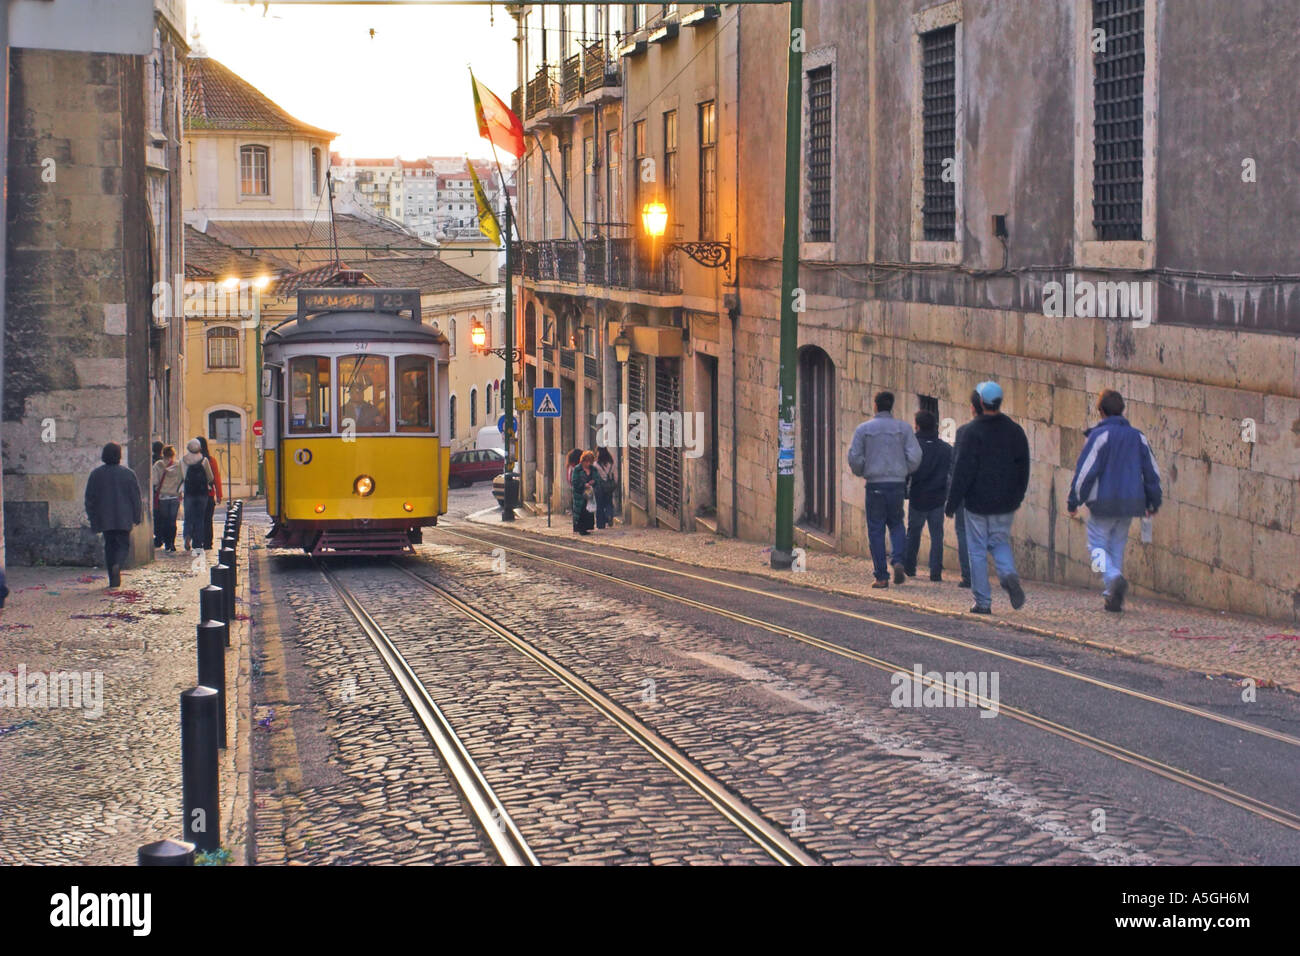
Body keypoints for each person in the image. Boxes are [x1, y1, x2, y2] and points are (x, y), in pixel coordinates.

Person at [1067, 389, 1162, 612]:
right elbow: (1152, 472)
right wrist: (1153, 502)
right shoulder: (1138, 437)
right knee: (1117, 546)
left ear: (1101, 411)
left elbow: (1085, 473)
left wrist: (1074, 501)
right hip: (1131, 503)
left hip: (1103, 502)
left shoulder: (1100, 437)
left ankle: (1112, 578)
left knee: (1096, 548)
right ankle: (1112, 595)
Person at [944, 381, 1030, 614]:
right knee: (1000, 542)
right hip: (1006, 503)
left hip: (977, 503)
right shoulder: (1015, 430)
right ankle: (1008, 574)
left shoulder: (971, 432)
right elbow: (1024, 468)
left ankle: (983, 602)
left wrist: (951, 504)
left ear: (979, 404)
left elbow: (962, 471)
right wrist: (1018, 496)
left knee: (978, 550)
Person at [847, 391, 923, 589]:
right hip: (897, 484)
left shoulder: (863, 429)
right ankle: (898, 560)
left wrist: (863, 470)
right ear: (891, 406)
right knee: (897, 523)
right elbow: (915, 456)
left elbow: (854, 457)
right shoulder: (904, 429)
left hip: (875, 485)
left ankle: (881, 576)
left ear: (875, 405)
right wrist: (903, 470)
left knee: (876, 529)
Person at [84, 442, 143, 589]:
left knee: (109, 546)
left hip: (105, 518)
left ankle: (113, 578)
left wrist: (93, 517)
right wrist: (137, 516)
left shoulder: (96, 474)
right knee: (123, 545)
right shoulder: (128, 474)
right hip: (124, 517)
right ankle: (118, 565)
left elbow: (90, 498)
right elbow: (135, 498)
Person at [903, 410, 953, 581]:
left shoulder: (913, 447)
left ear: (917, 426)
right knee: (937, 536)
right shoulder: (946, 449)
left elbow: (906, 471)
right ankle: (935, 572)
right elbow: (951, 473)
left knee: (913, 534)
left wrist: (904, 491)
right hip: (938, 499)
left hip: (918, 497)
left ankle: (909, 568)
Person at [950, 390, 983, 589]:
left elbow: (956, 465)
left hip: (966, 492)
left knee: (963, 532)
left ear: (972, 408)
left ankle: (969, 575)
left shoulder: (963, 432)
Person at [181, 438, 215, 553]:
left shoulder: (183, 460)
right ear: (199, 448)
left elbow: (182, 476)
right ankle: (197, 543)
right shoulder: (204, 460)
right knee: (200, 519)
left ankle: (187, 536)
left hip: (189, 492)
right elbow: (210, 477)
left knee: (188, 517)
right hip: (202, 493)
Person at [151, 445, 183, 553]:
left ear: (163, 453)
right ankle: (172, 543)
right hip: (174, 496)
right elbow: (182, 480)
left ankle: (167, 543)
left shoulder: (158, 465)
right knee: (172, 521)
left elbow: (154, 481)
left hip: (163, 497)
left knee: (164, 520)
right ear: (173, 454)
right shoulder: (178, 466)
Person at [196, 435, 223, 550]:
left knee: (198, 519)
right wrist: (219, 495)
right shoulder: (211, 460)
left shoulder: (192, 461)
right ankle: (208, 543)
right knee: (208, 520)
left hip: (196, 495)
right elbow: (216, 478)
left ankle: (198, 541)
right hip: (209, 494)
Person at [571, 450, 597, 536]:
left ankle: (587, 528)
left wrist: (594, 482)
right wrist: (583, 485)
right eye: (587, 461)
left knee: (588, 512)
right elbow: (574, 482)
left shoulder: (593, 469)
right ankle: (581, 529)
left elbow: (597, 479)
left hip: (589, 494)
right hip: (580, 494)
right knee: (581, 511)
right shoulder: (577, 469)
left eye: (590, 461)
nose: (588, 463)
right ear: (583, 460)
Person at [594, 446, 617, 530]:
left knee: (599, 505)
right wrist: (614, 483)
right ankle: (609, 515)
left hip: (599, 487)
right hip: (609, 487)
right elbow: (615, 475)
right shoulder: (611, 463)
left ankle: (601, 524)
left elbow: (594, 476)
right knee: (608, 503)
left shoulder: (596, 464)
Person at [150, 441, 164, 546]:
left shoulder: (150, 460)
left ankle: (157, 537)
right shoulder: (164, 461)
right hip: (163, 491)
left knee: (156, 515)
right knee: (162, 516)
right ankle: (161, 537)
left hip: (153, 491)